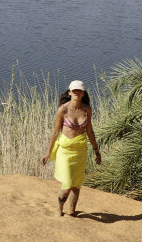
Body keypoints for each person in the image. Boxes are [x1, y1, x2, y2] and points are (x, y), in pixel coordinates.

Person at [41, 80, 101, 216]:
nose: (77, 93)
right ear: (69, 92)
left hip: (80, 150)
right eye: (74, 90)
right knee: (67, 182)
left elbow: (90, 131)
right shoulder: (63, 109)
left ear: (83, 93)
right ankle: (59, 210)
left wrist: (96, 151)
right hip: (65, 150)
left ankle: (72, 212)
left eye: (79, 91)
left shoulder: (87, 110)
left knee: (76, 183)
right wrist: (47, 153)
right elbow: (55, 132)